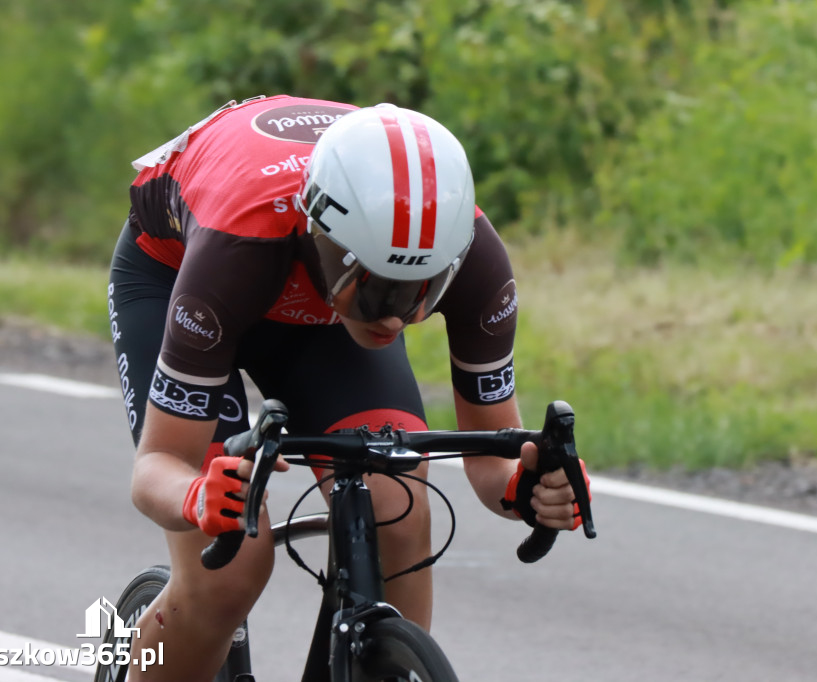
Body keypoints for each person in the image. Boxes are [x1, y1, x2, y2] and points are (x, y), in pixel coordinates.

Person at [107, 94, 591, 681]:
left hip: (323, 311)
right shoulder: (236, 250)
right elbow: (157, 464)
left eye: (421, 294)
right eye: (379, 291)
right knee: (229, 567)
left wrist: (531, 489)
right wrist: (196, 497)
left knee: (400, 510)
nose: (395, 319)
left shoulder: (477, 267)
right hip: (180, 274)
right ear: (321, 235)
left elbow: (490, 462)